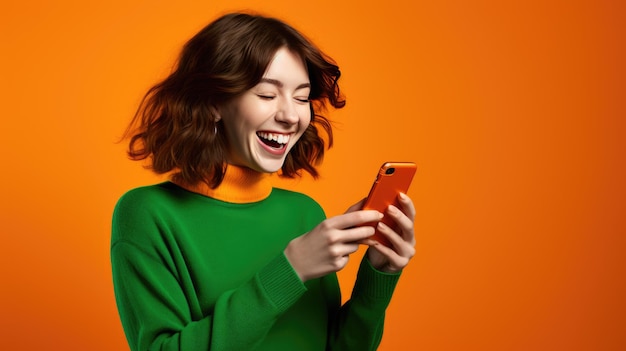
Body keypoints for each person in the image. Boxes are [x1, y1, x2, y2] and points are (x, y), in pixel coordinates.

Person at [111, 12, 416, 351]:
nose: (290, 115)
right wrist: (291, 269)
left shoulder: (304, 214)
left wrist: (380, 271)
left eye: (301, 97)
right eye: (267, 94)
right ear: (213, 102)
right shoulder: (148, 214)